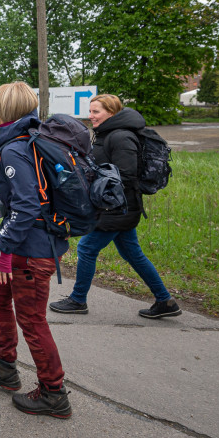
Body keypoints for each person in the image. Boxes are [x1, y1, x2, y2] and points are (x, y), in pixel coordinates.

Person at [0, 81, 72, 418]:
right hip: (33, 245)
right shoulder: (28, 139)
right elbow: (28, 194)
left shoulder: (14, 148)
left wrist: (4, 251)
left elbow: (27, 207)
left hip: (31, 250)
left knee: (32, 319)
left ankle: (53, 392)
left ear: (4, 112)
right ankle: (4, 366)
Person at [50, 94, 181, 319]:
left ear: (111, 112)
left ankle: (78, 300)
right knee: (132, 252)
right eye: (90, 112)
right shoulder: (107, 134)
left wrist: (99, 189)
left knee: (87, 248)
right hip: (117, 207)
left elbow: (126, 174)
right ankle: (165, 300)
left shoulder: (120, 137)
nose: (90, 117)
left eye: (96, 112)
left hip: (117, 207)